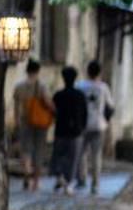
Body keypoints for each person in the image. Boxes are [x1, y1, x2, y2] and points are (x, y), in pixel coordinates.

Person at [10, 59, 50, 191]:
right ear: (38, 71)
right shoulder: (42, 86)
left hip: (25, 120)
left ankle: (27, 172)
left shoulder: (19, 87)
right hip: (40, 122)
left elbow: (16, 107)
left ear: (27, 70)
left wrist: (16, 121)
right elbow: (47, 103)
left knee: (25, 149)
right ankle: (36, 182)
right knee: (38, 150)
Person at [77, 60, 113, 193]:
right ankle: (95, 184)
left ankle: (81, 179)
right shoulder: (103, 87)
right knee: (96, 155)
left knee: (82, 153)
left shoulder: (80, 86)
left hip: (83, 124)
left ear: (88, 71)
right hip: (99, 124)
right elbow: (110, 107)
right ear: (99, 72)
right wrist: (106, 120)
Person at [50, 66, 88, 191]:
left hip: (60, 130)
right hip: (76, 132)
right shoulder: (80, 96)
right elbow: (85, 114)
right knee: (73, 158)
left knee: (59, 155)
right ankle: (69, 182)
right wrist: (82, 127)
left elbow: (53, 111)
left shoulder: (58, 95)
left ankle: (59, 177)